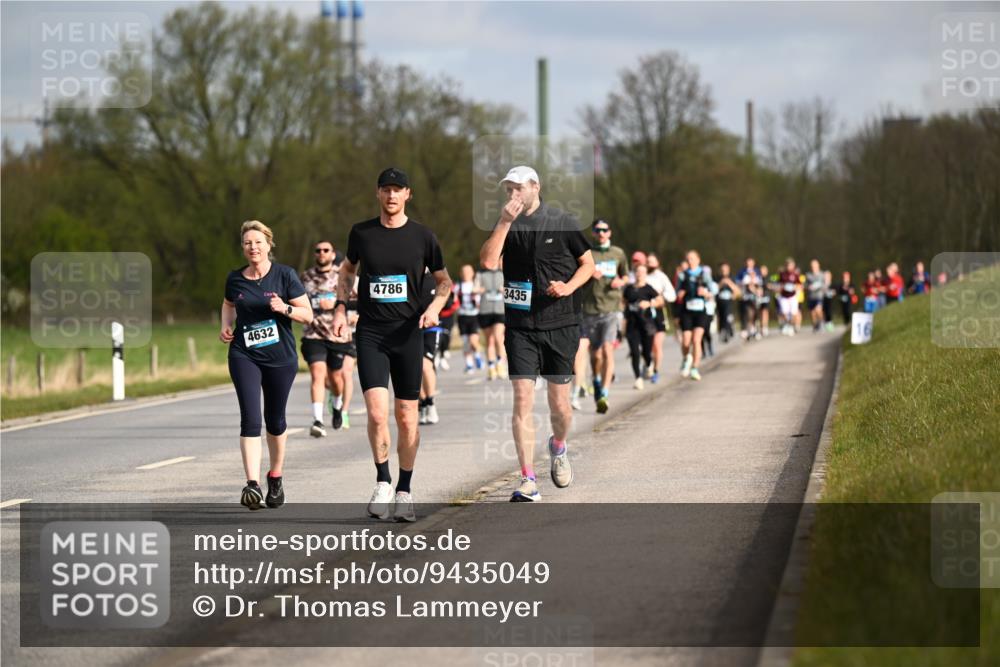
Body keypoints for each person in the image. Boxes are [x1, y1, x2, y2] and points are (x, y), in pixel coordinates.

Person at [332, 167, 452, 523]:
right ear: (378, 193)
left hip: (408, 334)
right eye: (386, 190)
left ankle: (405, 489)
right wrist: (341, 307)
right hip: (371, 333)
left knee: (407, 415)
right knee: (375, 413)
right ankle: (383, 480)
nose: (391, 196)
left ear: (408, 195)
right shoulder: (362, 233)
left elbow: (444, 283)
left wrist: (433, 308)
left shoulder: (423, 237)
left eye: (398, 190)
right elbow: (346, 271)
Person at [480, 165, 594, 502]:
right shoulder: (506, 223)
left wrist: (568, 286)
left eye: (518, 188)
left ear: (535, 187)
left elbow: (588, 265)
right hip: (520, 327)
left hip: (560, 323)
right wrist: (503, 222)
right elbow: (487, 262)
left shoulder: (562, 222)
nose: (512, 195)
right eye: (508, 189)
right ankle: (528, 479)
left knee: (560, 407)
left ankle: (558, 446)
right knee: (522, 399)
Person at [220, 220, 312, 510]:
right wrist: (225, 325)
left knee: (275, 421)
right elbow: (227, 303)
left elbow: (307, 314)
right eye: (247, 242)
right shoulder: (235, 278)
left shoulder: (285, 275)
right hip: (244, 354)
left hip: (280, 358)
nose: (253, 247)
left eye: (258, 242)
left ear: (269, 244)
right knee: (250, 419)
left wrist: (284, 308)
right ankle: (252, 485)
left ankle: (275, 475)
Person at [300, 240, 357, 437]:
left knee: (336, 377)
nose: (321, 253)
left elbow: (360, 302)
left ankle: (338, 403)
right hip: (313, 333)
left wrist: (335, 304)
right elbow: (296, 301)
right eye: (318, 250)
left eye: (326, 250)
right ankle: (317, 420)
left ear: (333, 254)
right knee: (317, 374)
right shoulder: (305, 277)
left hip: (338, 335)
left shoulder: (342, 276)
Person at [580, 219, 627, 414]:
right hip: (589, 309)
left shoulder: (618, 253)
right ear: (593, 233)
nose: (601, 233)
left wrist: (619, 281)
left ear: (610, 233)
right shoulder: (587, 253)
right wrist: (589, 273)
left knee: (608, 350)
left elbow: (626, 276)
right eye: (597, 230)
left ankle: (604, 395)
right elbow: (577, 277)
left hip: (611, 309)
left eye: (604, 230)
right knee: (596, 355)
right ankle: (597, 380)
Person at [418, 270, 456, 425]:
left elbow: (449, 302)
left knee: (426, 364)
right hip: (411, 328)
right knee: (414, 369)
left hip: (432, 327)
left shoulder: (436, 277)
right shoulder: (408, 275)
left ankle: (431, 402)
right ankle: (422, 403)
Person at [623, 264, 663, 389]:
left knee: (646, 351)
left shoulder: (649, 289)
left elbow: (661, 301)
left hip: (646, 325)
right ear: (634, 273)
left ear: (646, 274)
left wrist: (649, 303)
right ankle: (638, 378)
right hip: (632, 325)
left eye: (642, 272)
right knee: (635, 352)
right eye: (638, 271)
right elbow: (623, 303)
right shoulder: (628, 289)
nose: (640, 274)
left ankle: (649, 364)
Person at [676, 250, 711, 381]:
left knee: (696, 340)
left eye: (692, 259)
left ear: (698, 260)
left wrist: (706, 293)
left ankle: (695, 368)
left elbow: (713, 290)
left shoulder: (704, 274)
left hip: (701, 310)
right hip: (687, 311)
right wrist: (680, 294)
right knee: (686, 341)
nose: (690, 261)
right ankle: (686, 358)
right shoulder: (682, 275)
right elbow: (676, 292)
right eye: (688, 259)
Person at [644, 253, 675, 382]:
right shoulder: (641, 275)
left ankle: (655, 370)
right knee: (647, 344)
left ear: (657, 263)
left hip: (658, 314)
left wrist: (662, 298)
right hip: (644, 314)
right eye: (648, 262)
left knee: (657, 345)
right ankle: (648, 363)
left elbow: (672, 295)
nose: (650, 264)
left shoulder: (661, 277)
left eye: (652, 262)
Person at [476, 261, 508, 380]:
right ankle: (491, 368)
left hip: (500, 311)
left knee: (498, 337)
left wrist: (503, 289)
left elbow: (511, 288)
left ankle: (500, 365)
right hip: (485, 310)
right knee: (489, 341)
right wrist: (480, 290)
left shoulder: (503, 273)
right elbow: (474, 288)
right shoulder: (481, 273)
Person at [455, 264, 484, 373]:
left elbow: (481, 300)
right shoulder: (458, 286)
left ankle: (477, 356)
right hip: (462, 316)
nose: (466, 274)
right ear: (461, 274)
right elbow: (454, 300)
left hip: (474, 316)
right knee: (466, 342)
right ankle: (469, 364)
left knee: (473, 340)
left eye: (468, 272)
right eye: (463, 272)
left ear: (472, 274)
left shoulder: (475, 285)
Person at [736, 257, 761, 340]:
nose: (749, 264)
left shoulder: (757, 271)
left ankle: (753, 329)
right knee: (746, 312)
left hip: (754, 295)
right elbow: (738, 282)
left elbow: (760, 283)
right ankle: (745, 329)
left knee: (754, 312)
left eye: (750, 262)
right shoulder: (742, 271)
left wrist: (754, 284)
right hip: (745, 295)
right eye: (747, 262)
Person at [777, 258, 803, 336]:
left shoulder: (795, 274)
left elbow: (800, 285)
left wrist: (795, 287)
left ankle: (791, 326)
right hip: (784, 296)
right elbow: (778, 284)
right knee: (785, 312)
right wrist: (782, 287)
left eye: (791, 265)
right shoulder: (782, 274)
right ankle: (787, 325)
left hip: (793, 296)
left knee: (793, 313)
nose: (790, 267)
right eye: (788, 265)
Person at [715, 262, 738, 343]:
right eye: (722, 269)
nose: (724, 271)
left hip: (729, 301)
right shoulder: (717, 278)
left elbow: (736, 290)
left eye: (725, 269)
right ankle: (723, 331)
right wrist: (721, 283)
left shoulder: (732, 277)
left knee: (727, 316)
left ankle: (728, 331)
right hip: (719, 301)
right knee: (721, 317)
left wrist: (729, 282)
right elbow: (714, 289)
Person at [805, 259, 826, 333]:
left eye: (814, 265)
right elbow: (805, 285)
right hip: (811, 296)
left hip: (819, 296)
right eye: (812, 266)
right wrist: (808, 287)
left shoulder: (822, 274)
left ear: (818, 266)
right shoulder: (808, 275)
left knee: (818, 310)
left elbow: (825, 284)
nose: (813, 267)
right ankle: (815, 325)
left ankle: (821, 323)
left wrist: (820, 286)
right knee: (813, 313)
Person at [757, 264, 773, 336]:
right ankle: (761, 327)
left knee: (765, 312)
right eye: (761, 270)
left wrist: (769, 286)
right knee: (760, 312)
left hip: (766, 297)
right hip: (759, 298)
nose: (762, 271)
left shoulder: (769, 278)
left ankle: (765, 327)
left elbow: (772, 286)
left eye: (764, 270)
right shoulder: (758, 278)